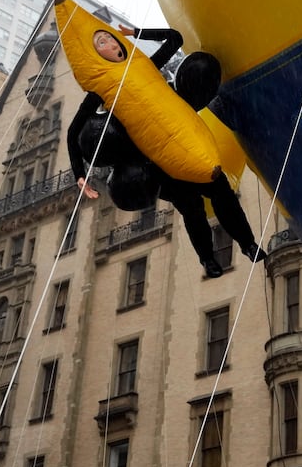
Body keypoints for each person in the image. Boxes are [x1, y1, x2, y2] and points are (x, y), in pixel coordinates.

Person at [66, 24, 265, 277]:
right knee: (191, 207)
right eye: (101, 43)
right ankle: (207, 258)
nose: (110, 44)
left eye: (109, 38)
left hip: (183, 139)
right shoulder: (101, 88)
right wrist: (78, 174)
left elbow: (174, 39)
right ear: (94, 54)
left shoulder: (143, 66)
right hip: (155, 159)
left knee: (220, 190)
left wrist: (137, 32)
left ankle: (247, 243)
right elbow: (74, 132)